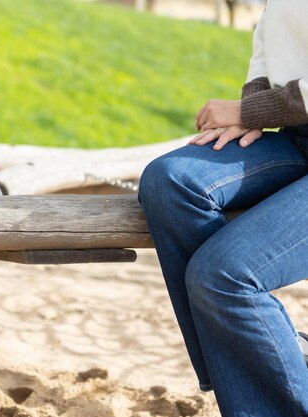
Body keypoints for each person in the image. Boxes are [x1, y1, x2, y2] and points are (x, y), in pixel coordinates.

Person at [138, 1, 308, 416]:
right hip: (299, 136)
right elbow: (270, 34)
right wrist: (251, 110)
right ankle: (249, 357)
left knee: (221, 275)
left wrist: (252, 110)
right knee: (170, 181)